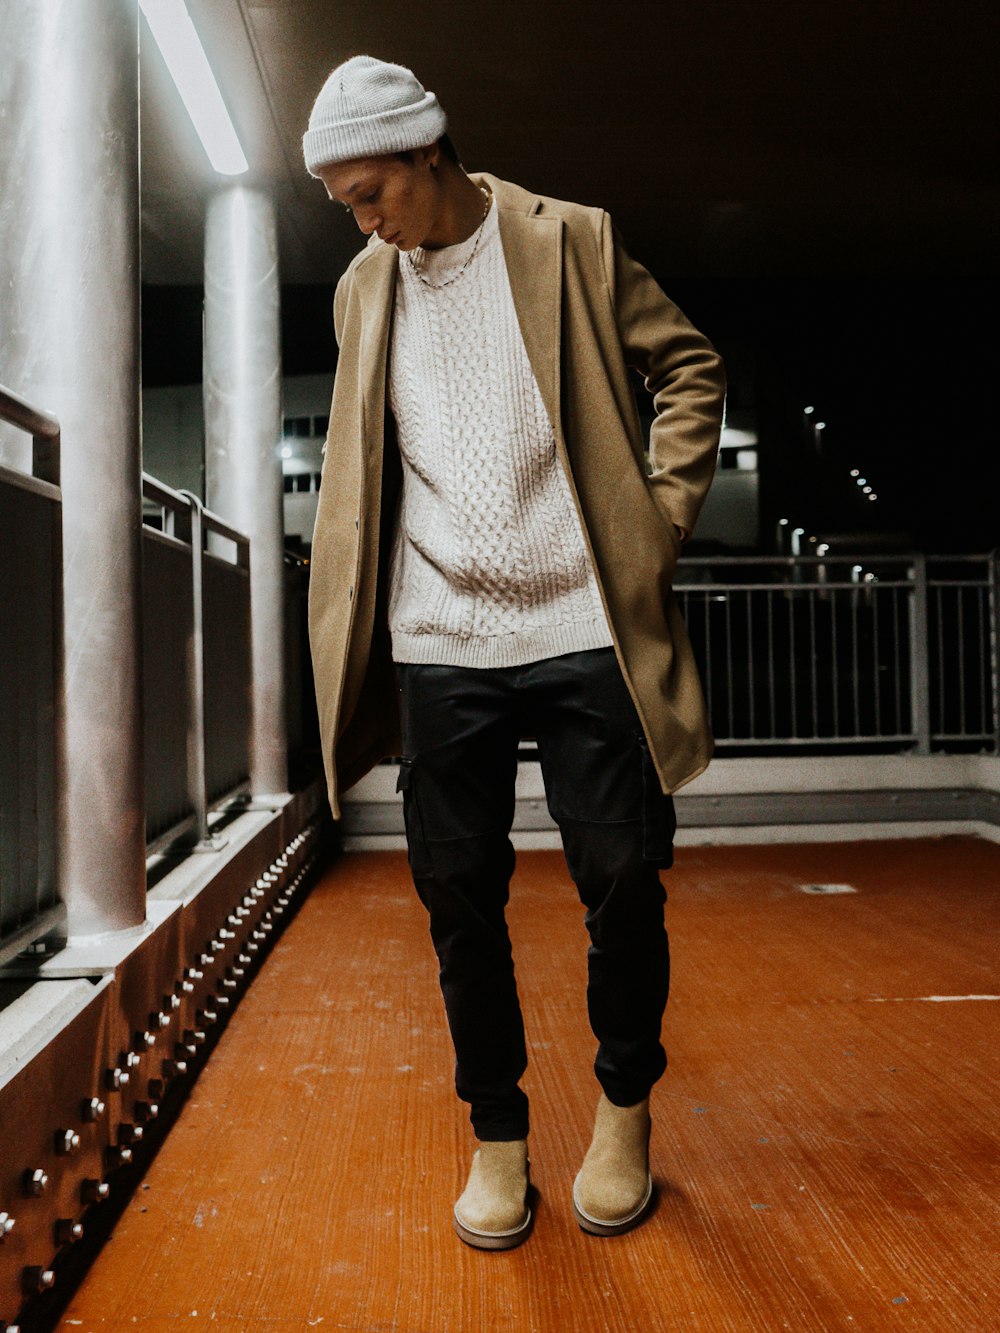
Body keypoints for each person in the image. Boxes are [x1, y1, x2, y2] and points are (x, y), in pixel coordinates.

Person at [303, 55, 726, 1250]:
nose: (363, 219)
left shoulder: (570, 241)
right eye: (344, 203)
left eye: (371, 190)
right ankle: (496, 1134)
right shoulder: (363, 288)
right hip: (439, 635)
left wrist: (658, 522)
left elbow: (687, 364)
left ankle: (623, 1110)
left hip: (583, 622)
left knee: (621, 880)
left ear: (429, 149)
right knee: (457, 899)